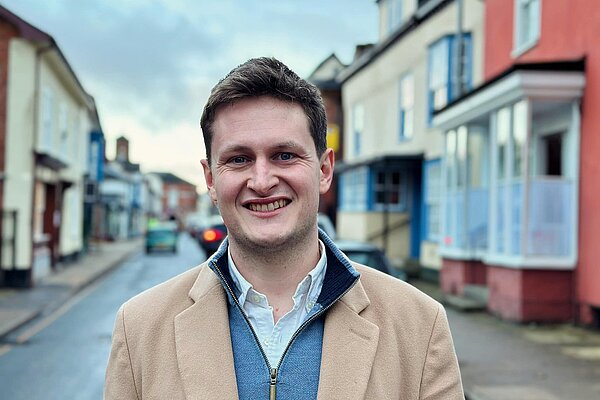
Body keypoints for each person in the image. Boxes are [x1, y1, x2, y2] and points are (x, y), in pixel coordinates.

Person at [104, 57, 464, 400]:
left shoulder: (419, 326)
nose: (262, 181)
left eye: (285, 155)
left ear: (324, 170)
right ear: (211, 180)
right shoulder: (139, 329)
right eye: (239, 159)